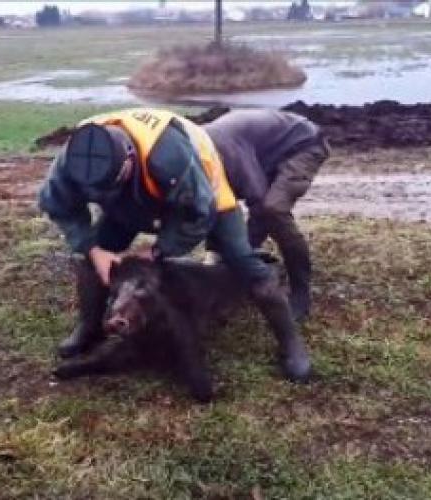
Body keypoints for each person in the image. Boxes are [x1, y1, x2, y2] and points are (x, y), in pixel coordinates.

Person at [38, 108, 311, 382]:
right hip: (129, 201)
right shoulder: (74, 159)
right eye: (96, 192)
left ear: (130, 159)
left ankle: (290, 344)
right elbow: (58, 205)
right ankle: (89, 327)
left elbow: (197, 216)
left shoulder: (168, 156)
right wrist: (93, 250)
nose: (102, 195)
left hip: (206, 196)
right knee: (91, 256)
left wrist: (159, 249)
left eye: (112, 184)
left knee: (243, 262)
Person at [204, 109, 328, 322]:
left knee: (273, 210)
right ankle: (242, 265)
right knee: (250, 223)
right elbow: (214, 204)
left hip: (304, 144)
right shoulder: (198, 156)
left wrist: (239, 248)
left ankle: (301, 292)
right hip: (267, 153)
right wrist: (215, 252)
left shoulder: (225, 148)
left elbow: (257, 199)